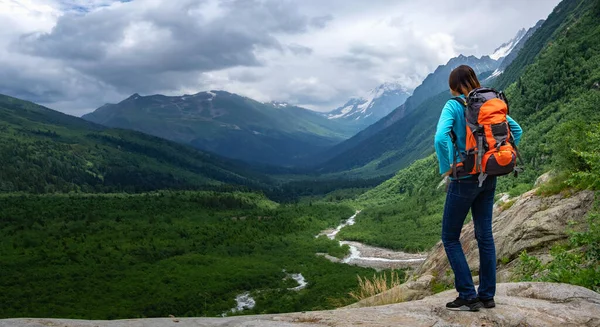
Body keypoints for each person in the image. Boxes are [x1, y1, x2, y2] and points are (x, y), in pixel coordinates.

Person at [434, 65, 522, 311]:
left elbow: (440, 138)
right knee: (485, 236)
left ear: (454, 86)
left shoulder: (454, 105)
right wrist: (498, 156)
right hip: (489, 176)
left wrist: (448, 167)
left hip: (464, 179)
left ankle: (467, 295)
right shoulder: (489, 103)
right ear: (473, 80)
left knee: (450, 238)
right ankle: (487, 296)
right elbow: (516, 130)